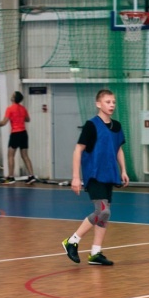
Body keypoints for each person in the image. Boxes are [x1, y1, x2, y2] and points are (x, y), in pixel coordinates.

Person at [61, 89, 129, 266]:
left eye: (113, 102)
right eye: (108, 102)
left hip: (109, 175)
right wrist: (76, 177)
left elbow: (119, 149)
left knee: (104, 215)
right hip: (94, 174)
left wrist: (123, 170)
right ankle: (72, 241)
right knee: (103, 211)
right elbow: (78, 150)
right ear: (98, 104)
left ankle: (95, 253)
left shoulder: (117, 126)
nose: (112, 105)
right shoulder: (91, 125)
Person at [0, 90, 36, 184]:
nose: (11, 96)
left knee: (10, 156)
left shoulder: (10, 109)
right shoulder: (23, 108)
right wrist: (20, 117)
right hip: (23, 134)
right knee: (25, 156)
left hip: (15, 134)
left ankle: (10, 177)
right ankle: (31, 176)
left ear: (14, 98)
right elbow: (28, 119)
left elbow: (3, 122)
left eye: (13, 95)